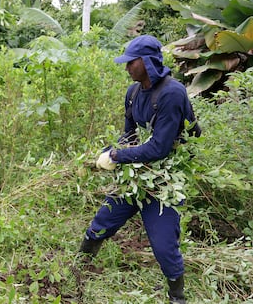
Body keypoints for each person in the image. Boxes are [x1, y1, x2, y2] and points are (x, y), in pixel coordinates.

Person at [79, 35, 201, 304]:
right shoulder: (133, 94)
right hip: (135, 175)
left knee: (163, 244)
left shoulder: (171, 93)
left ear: (146, 62)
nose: (126, 68)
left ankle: (177, 297)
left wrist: (116, 155)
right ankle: (79, 269)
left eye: (130, 63)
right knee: (102, 222)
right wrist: (109, 152)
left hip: (162, 180)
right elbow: (129, 137)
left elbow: (159, 148)